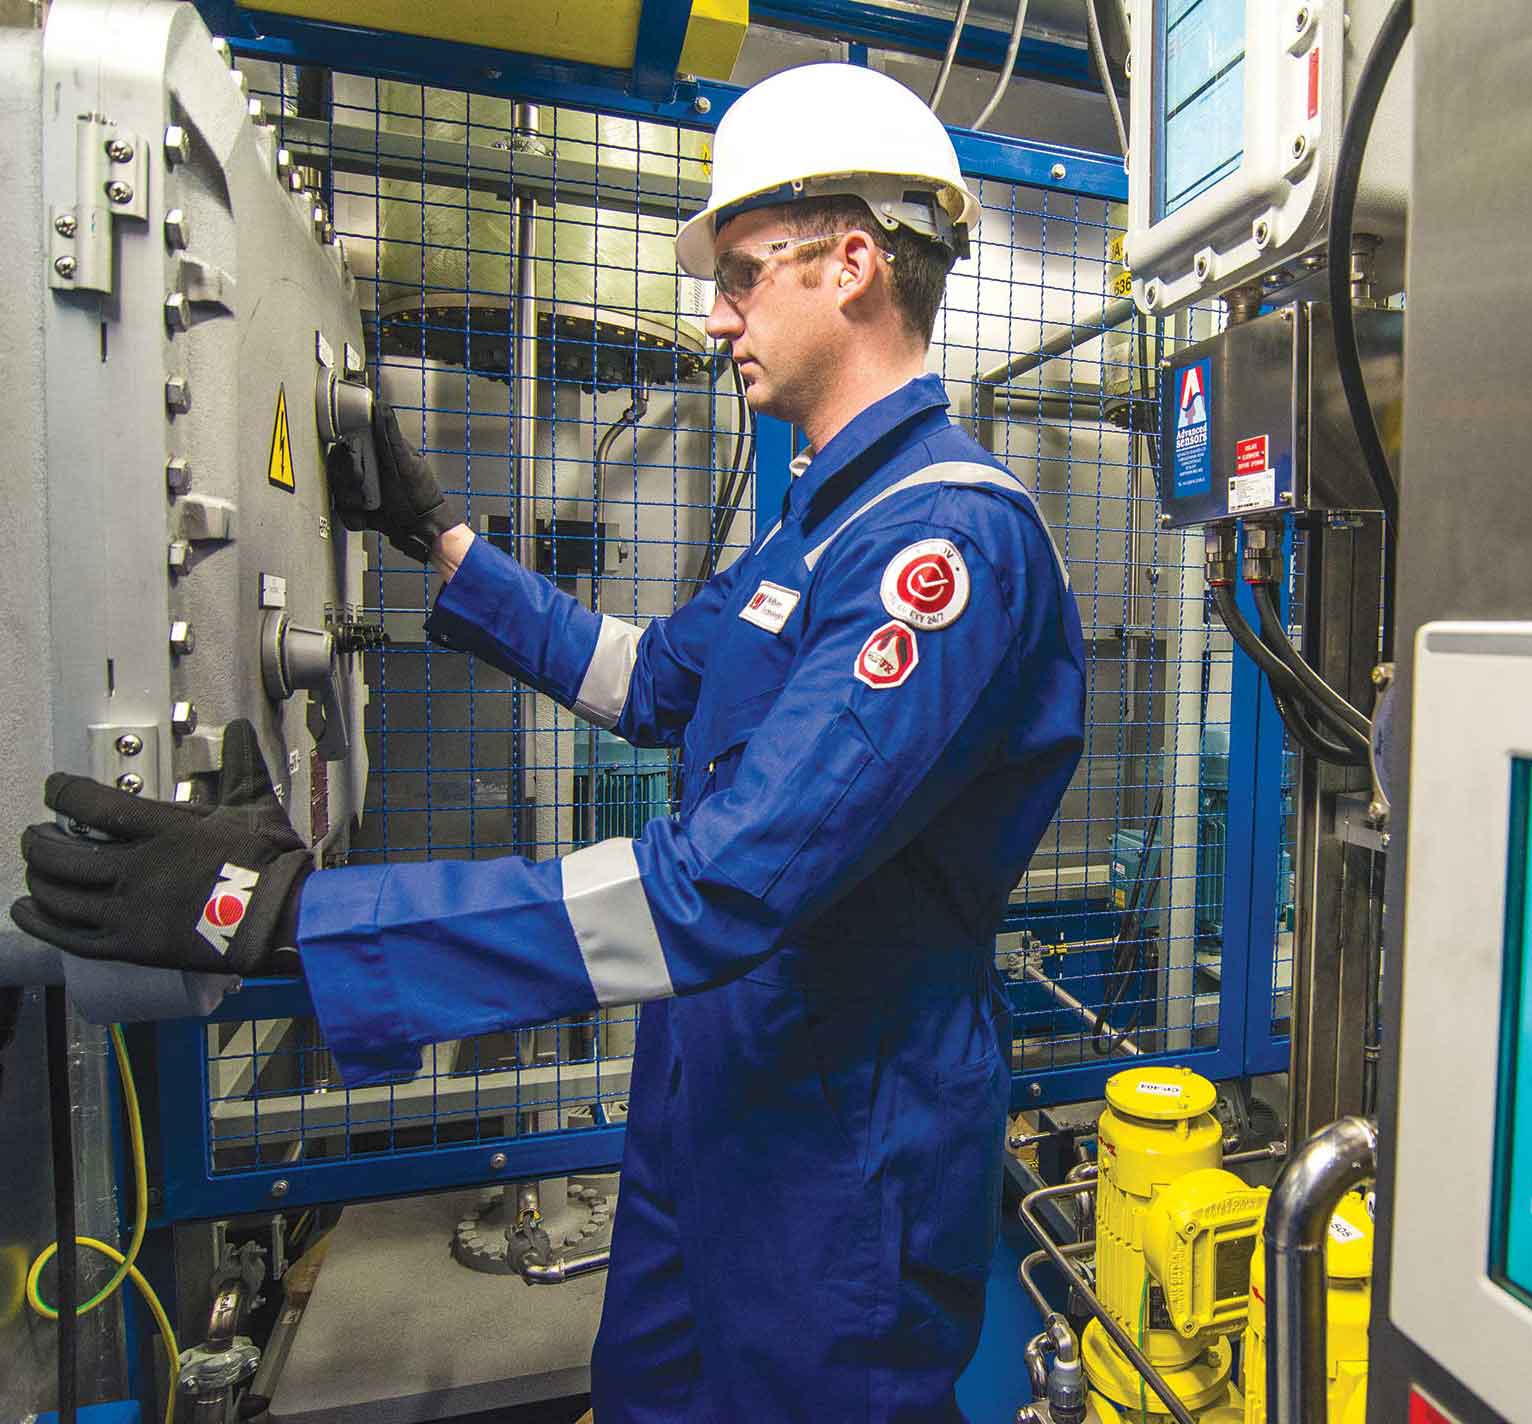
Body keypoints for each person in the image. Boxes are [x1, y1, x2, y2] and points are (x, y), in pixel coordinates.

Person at [11, 62, 1086, 1423]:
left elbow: (719, 887)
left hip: (844, 1144)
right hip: (713, 1093)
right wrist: (437, 540)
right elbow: (649, 677)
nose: (717, 314)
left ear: (854, 263)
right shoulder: (816, 527)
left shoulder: (944, 543)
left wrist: (289, 915)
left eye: (746, 272)